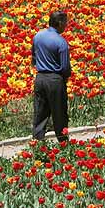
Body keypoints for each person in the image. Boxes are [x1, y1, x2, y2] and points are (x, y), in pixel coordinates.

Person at [31, 11, 71, 142]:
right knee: (59, 114)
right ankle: (63, 143)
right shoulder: (61, 42)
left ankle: (37, 142)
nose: (66, 25)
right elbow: (65, 68)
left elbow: (34, 58)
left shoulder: (38, 36)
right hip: (55, 80)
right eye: (65, 22)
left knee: (40, 113)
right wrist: (63, 80)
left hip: (40, 78)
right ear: (59, 23)